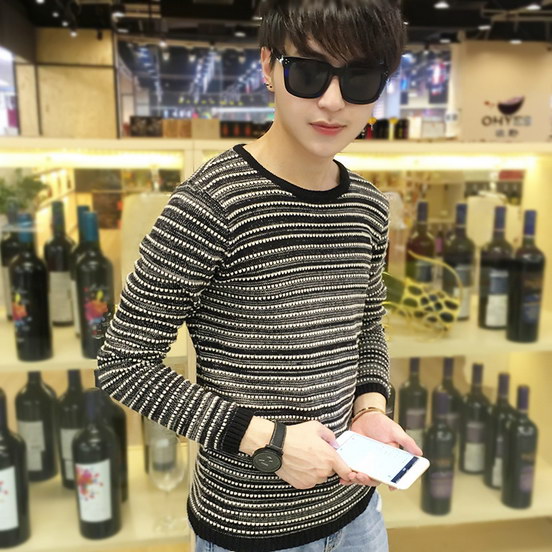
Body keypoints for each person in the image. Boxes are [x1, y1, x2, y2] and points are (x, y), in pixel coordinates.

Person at [96, 1, 421, 551]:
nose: (333, 100)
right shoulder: (212, 204)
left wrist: (370, 408)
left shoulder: (368, 207)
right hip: (248, 528)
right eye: (309, 72)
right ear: (268, 65)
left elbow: (366, 329)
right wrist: (267, 442)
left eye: (360, 78)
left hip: (358, 513)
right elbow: (124, 365)